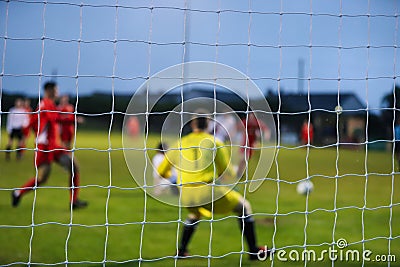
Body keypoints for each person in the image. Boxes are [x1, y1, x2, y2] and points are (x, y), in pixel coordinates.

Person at [157, 110, 270, 260]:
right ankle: (253, 251)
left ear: (192, 124)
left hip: (185, 193)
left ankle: (181, 251)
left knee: (195, 213)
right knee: (244, 207)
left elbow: (161, 171)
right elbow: (228, 173)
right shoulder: (214, 142)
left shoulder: (179, 143)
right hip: (206, 190)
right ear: (209, 124)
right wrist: (240, 170)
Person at [11, 81, 88, 209]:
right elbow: (54, 118)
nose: (57, 92)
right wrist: (73, 119)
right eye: (56, 90)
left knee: (74, 166)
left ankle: (74, 201)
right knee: (42, 178)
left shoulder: (45, 104)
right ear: (50, 90)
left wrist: (36, 131)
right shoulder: (46, 103)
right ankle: (18, 192)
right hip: (45, 147)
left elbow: (34, 122)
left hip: (52, 146)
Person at [237, 112, 270, 178]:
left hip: (253, 145)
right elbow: (238, 128)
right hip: (245, 144)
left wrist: (266, 136)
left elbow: (266, 129)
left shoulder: (257, 123)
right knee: (243, 159)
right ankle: (239, 173)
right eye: (250, 116)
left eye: (253, 117)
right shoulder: (245, 122)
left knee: (247, 159)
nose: (251, 118)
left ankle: (241, 173)